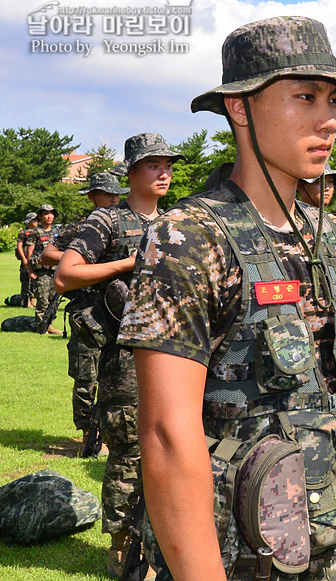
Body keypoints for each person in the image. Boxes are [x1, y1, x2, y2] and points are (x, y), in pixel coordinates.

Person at [119, 16, 336, 581]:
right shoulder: (187, 239)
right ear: (239, 108)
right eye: (304, 97)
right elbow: (165, 434)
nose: (327, 119)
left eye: (333, 101)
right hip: (236, 552)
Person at [55, 134, 181, 578]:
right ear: (130, 173)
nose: (163, 172)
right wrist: (127, 264)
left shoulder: (176, 222)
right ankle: (124, 548)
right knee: (129, 451)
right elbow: (65, 275)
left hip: (173, 356)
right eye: (152, 166)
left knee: (175, 450)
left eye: (167, 165)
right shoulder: (106, 221)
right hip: (123, 360)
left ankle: (165, 543)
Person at [41, 172, 126, 456]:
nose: (113, 199)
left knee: (119, 375)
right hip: (87, 310)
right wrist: (86, 259)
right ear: (92, 197)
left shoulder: (126, 224)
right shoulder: (80, 227)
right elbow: (47, 255)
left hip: (119, 312)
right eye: (106, 194)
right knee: (86, 374)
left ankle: (115, 433)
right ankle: (90, 434)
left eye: (116, 194)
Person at [25, 204, 62, 333]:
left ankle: (50, 325)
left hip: (55, 271)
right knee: (42, 300)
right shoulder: (35, 232)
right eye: (46, 213)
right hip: (41, 272)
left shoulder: (57, 232)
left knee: (54, 300)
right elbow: (29, 254)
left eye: (51, 213)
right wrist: (30, 271)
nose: (49, 216)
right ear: (40, 216)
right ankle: (42, 327)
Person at [16, 212, 38, 306]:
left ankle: (33, 299)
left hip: (36, 259)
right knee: (25, 279)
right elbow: (19, 246)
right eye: (34, 220)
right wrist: (24, 259)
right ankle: (25, 300)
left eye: (36, 220)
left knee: (35, 280)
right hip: (26, 258)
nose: (36, 222)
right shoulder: (24, 232)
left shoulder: (38, 231)